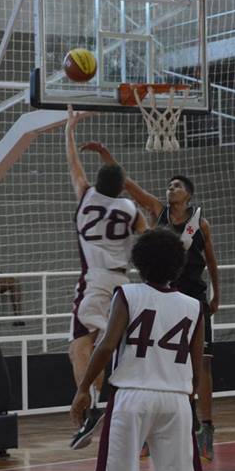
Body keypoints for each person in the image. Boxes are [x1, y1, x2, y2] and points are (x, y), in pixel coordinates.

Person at [81, 143, 220, 462]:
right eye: (169, 185)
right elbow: (127, 183)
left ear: (188, 195)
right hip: (164, 294)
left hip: (193, 296)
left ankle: (206, 427)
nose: (171, 189)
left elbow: (212, 262)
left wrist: (217, 294)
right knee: (159, 354)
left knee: (202, 362)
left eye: (177, 185)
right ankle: (157, 428)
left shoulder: (200, 223)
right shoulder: (158, 211)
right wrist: (106, 157)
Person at [70, 228, 205, 471]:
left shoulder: (128, 294)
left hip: (132, 395)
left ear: (139, 262)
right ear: (178, 265)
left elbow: (106, 345)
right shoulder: (193, 306)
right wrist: (190, 397)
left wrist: (83, 388)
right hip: (177, 398)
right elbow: (196, 366)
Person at [66, 110, 146, 450]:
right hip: (124, 286)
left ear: (98, 183)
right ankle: (119, 411)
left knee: (79, 348)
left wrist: (70, 129)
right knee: (111, 350)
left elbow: (74, 164)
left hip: (94, 283)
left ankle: (93, 409)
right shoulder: (130, 209)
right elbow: (148, 240)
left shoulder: (86, 194)